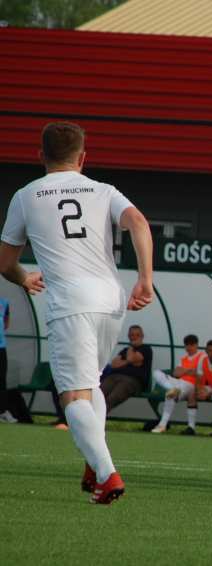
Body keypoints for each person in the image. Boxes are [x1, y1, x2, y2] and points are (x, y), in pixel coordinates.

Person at [0, 121, 153, 504]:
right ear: (83, 158)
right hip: (110, 298)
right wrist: (145, 279)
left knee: (72, 395)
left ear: (40, 156)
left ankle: (108, 474)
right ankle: (94, 460)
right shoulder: (104, 190)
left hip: (71, 302)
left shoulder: (26, 195)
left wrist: (23, 277)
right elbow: (138, 221)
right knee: (91, 383)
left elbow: (4, 261)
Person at [151, 334, 205, 434]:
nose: (189, 348)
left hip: (191, 385)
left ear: (196, 345)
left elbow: (198, 373)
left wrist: (184, 371)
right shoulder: (184, 358)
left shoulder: (202, 357)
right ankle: (172, 388)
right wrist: (188, 371)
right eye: (187, 345)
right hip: (179, 383)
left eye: (191, 345)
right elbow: (176, 373)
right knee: (156, 373)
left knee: (170, 396)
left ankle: (162, 425)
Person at [100, 325, 153, 411]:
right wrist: (129, 362)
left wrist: (130, 350)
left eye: (137, 335)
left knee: (112, 399)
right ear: (128, 336)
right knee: (98, 396)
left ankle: (97, 421)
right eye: (132, 335)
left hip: (132, 380)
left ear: (142, 336)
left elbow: (130, 358)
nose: (134, 337)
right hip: (114, 376)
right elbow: (114, 364)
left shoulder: (146, 349)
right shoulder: (124, 350)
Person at [0, 296, 13, 423]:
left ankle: (2, 412)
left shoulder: (4, 302)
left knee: (1, 380)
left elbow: (6, 323)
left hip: (1, 347)